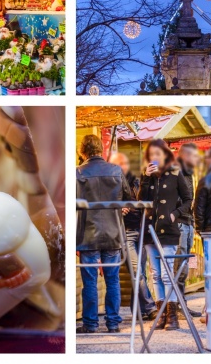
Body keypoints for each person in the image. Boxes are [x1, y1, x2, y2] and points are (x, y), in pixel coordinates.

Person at [76, 135, 128, 334]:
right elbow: (128, 198)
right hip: (113, 232)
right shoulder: (116, 171)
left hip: (87, 234)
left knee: (89, 281)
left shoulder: (78, 173)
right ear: (100, 149)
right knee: (112, 280)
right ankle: (113, 323)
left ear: (83, 151)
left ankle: (90, 324)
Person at [139, 139, 193, 331]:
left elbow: (188, 199)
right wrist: (146, 178)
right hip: (149, 230)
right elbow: (141, 200)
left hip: (168, 230)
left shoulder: (176, 173)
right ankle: (161, 314)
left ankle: (173, 316)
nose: (155, 157)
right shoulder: (147, 175)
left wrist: (175, 214)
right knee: (155, 274)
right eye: (152, 154)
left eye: (158, 154)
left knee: (168, 274)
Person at [109, 152, 157, 321]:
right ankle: (151, 307)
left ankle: (137, 309)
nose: (122, 166)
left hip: (141, 230)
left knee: (139, 272)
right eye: (118, 163)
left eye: (124, 163)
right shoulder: (112, 183)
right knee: (137, 271)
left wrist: (146, 177)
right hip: (126, 231)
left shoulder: (137, 181)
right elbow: (106, 206)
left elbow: (144, 199)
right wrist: (118, 209)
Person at [175, 143, 200, 315]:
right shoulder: (175, 171)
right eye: (193, 156)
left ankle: (181, 303)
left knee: (184, 263)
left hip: (188, 222)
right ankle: (176, 305)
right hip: (178, 223)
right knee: (179, 264)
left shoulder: (189, 173)